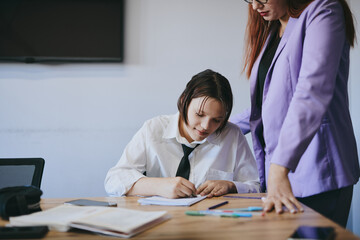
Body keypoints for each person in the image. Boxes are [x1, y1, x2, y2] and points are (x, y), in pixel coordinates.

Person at [231, 0, 360, 227]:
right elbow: (267, 105)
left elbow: (312, 93)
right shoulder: (272, 31)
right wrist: (214, 126)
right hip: (281, 174)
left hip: (318, 169)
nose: (255, 6)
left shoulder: (324, 10)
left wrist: (279, 167)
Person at [105, 69, 260, 199]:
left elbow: (256, 186)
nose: (206, 126)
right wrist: (159, 186)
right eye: (199, 115)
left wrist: (231, 186)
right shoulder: (154, 129)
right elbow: (113, 180)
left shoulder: (231, 135)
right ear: (183, 100)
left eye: (217, 120)